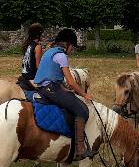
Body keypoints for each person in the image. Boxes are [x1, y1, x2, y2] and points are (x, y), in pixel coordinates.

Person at [33, 28, 95, 160]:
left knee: (71, 98)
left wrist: (64, 89)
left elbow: (52, 75)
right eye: (72, 46)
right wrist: (84, 95)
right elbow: (71, 82)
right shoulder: (61, 56)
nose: (72, 50)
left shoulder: (49, 52)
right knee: (82, 110)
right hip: (51, 89)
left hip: (43, 88)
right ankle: (80, 149)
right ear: (67, 44)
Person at [16, 23, 44, 92]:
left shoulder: (27, 44)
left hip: (24, 76)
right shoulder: (38, 46)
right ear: (38, 35)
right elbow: (38, 66)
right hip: (31, 78)